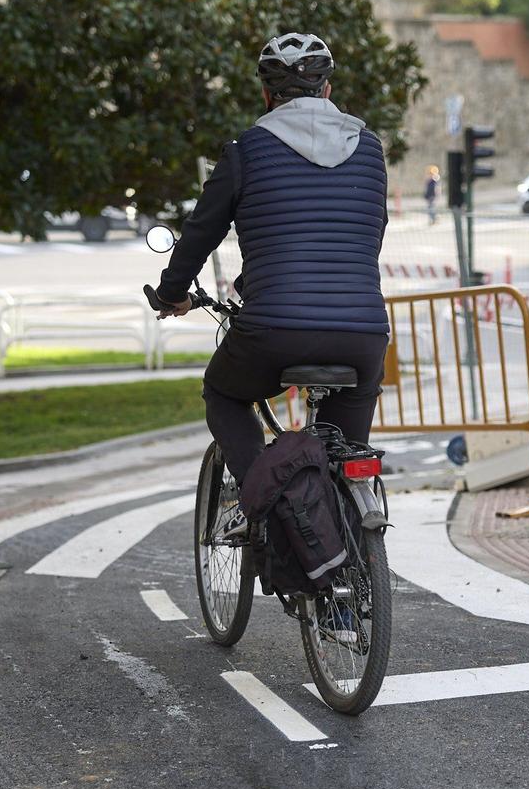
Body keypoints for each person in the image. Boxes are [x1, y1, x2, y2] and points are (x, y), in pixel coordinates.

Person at [153, 31, 389, 487]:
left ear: (266, 95)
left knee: (222, 392)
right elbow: (368, 235)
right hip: (363, 334)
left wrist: (172, 293)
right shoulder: (371, 151)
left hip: (274, 329)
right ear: (327, 90)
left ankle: (264, 499)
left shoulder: (246, 151)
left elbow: (201, 233)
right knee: (346, 462)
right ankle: (355, 520)